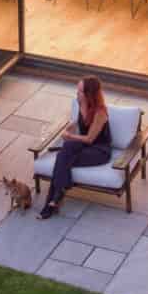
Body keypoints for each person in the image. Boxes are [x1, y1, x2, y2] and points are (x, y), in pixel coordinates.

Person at [38, 76, 111, 220]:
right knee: (65, 152)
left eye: (80, 91)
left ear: (89, 94)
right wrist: (68, 128)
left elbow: (90, 139)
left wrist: (70, 137)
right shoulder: (81, 102)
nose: (76, 93)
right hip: (84, 145)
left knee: (62, 157)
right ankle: (57, 196)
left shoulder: (100, 112)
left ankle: (52, 202)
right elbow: (77, 122)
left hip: (99, 150)